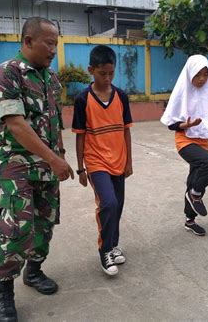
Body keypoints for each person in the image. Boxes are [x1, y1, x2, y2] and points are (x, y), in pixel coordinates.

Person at [0, 17, 74, 322]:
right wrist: (54, 159)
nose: (54, 49)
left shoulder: (51, 79)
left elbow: (55, 122)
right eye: (48, 42)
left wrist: (60, 155)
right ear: (27, 41)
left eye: (56, 42)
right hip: (17, 165)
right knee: (19, 225)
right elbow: (16, 125)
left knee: (46, 221)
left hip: (49, 165)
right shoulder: (7, 73)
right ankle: (3, 291)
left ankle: (34, 271)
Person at [72, 45, 133, 276]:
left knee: (118, 205)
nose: (107, 78)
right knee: (107, 203)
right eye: (102, 73)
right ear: (91, 70)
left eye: (111, 73)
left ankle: (114, 244)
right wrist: (80, 169)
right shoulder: (82, 99)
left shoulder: (122, 97)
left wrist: (129, 161)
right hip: (96, 162)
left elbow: (127, 130)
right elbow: (80, 136)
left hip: (119, 159)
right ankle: (104, 250)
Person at [160, 55, 208, 236]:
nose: (202, 79)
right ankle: (195, 194)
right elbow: (172, 124)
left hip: (203, 142)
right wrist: (186, 125)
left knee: (194, 180)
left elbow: (207, 122)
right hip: (185, 141)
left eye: (205, 74)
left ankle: (190, 220)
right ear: (190, 74)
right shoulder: (182, 92)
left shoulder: (207, 92)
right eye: (198, 74)